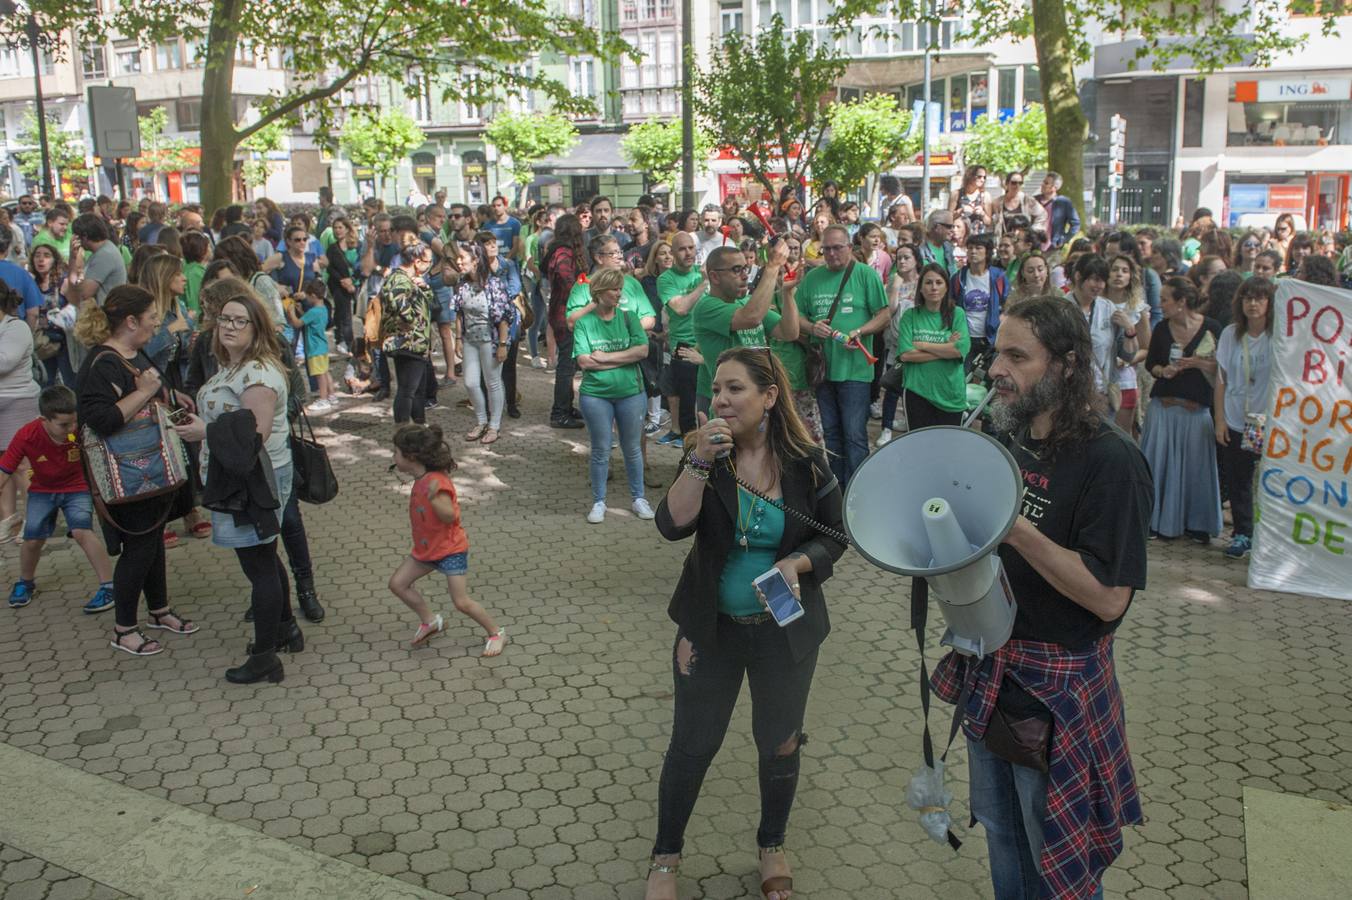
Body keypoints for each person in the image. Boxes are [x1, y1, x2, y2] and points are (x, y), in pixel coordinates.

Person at [934, 294, 1151, 900]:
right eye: (995, 352)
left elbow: (1110, 600)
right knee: (1003, 833)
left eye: (1016, 356)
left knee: (1056, 854)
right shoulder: (1008, 438)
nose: (995, 369)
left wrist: (1017, 530)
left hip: (1056, 689)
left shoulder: (1113, 462)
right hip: (992, 667)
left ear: (1066, 363)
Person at [647, 346, 845, 900]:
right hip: (711, 631)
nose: (722, 400)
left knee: (779, 743)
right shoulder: (706, 456)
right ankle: (665, 858)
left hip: (784, 632)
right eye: (717, 389)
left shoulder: (807, 461)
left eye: (736, 389)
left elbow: (836, 536)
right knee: (691, 744)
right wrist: (698, 462)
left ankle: (771, 844)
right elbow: (671, 526)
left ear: (769, 397)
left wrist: (796, 562)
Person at [171, 288, 302, 683]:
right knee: (265, 557)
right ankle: (285, 631)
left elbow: (253, 436)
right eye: (224, 319)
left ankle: (265, 657)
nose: (229, 326)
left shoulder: (258, 373)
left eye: (239, 321)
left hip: (254, 480)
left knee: (258, 565)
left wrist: (204, 432)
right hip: (240, 477)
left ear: (256, 327)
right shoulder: (233, 365)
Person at [74, 285, 200, 657]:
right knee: (139, 548)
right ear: (130, 321)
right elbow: (101, 420)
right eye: (150, 318)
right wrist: (146, 392)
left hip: (154, 471)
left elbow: (152, 388)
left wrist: (172, 399)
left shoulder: (134, 351)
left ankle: (159, 611)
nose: (156, 324)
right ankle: (124, 628)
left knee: (152, 541)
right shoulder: (101, 364)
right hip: (127, 474)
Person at [388, 423, 506, 654]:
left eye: (396, 453)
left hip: (450, 550)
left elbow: (449, 515)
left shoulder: (435, 483)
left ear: (411, 457)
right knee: (398, 584)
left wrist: (433, 499)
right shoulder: (421, 476)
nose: (393, 457)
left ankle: (496, 633)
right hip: (426, 550)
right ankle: (430, 621)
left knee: (461, 602)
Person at [2, 385, 115, 612]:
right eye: (64, 425)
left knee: (83, 531)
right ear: (44, 419)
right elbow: (5, 470)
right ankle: (25, 583)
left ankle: (109, 587)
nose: (71, 428)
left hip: (77, 487)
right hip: (42, 491)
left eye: (74, 421)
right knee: (32, 539)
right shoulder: (27, 434)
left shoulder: (82, 429)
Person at [797, 224, 890, 484]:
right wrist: (812, 326)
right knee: (832, 433)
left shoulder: (865, 275)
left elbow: (884, 314)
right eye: (826, 249)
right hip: (823, 370)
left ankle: (859, 489)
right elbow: (797, 317)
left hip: (856, 370)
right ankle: (838, 489)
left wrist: (861, 331)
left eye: (837, 248)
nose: (831, 254)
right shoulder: (813, 278)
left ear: (850, 248)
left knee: (854, 435)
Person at [1142, 277, 1222, 542]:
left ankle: (1196, 524)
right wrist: (1162, 370)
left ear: (1182, 302)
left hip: (1196, 410)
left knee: (1196, 471)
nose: (1160, 304)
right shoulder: (1162, 328)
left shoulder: (1211, 328)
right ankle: (1154, 521)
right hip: (1163, 409)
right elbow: (1150, 363)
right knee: (1158, 467)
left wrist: (1200, 364)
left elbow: (1222, 369)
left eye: (1165, 299)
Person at [572, 267, 653, 524]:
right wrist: (623, 359)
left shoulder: (629, 318)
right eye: (613, 289)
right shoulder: (585, 322)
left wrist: (605, 358)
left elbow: (642, 351)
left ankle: (638, 498)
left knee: (632, 448)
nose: (619, 293)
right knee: (600, 449)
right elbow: (584, 361)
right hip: (595, 395)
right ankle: (599, 502)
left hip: (631, 393)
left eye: (620, 288)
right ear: (599, 291)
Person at [691, 241, 798, 415]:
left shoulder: (746, 302)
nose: (744, 276)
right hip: (730, 409)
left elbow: (789, 332)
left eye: (745, 269)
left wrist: (788, 294)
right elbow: (752, 317)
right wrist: (772, 267)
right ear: (715, 277)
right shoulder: (706, 307)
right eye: (736, 270)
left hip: (758, 403)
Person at [1214, 276, 1274, 561]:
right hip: (1237, 419)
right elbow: (1221, 380)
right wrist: (1220, 420)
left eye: (1260, 298)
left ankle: (1269, 536)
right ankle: (1242, 533)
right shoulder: (1230, 334)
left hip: (1267, 422)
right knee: (1239, 479)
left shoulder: (1279, 337)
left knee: (1265, 479)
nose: (1253, 303)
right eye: (1248, 298)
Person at [449, 240, 512, 443]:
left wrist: (502, 344)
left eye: (462, 258)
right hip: (470, 340)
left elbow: (503, 317)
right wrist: (458, 338)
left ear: (475, 260)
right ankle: (481, 420)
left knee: (493, 382)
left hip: (490, 340)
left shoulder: (494, 284)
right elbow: (459, 313)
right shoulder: (462, 284)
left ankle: (494, 425)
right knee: (470, 382)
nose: (458, 262)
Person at [896, 263, 970, 428]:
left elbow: (959, 350)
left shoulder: (957, 314)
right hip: (917, 393)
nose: (933, 287)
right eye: (928, 283)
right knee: (919, 449)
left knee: (948, 450)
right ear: (920, 288)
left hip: (950, 394)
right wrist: (945, 347)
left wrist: (922, 344)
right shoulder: (911, 316)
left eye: (939, 282)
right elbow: (906, 355)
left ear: (946, 288)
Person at [1069, 255, 1140, 409]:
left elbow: (1127, 355)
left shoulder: (1108, 308)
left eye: (1102, 280)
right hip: (1070, 394)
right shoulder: (1061, 308)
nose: (1099, 285)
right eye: (1094, 279)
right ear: (1078, 276)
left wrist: (1129, 329)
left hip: (1101, 393)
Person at [657, 232, 706, 444]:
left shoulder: (702, 272)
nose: (688, 253)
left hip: (707, 346)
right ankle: (689, 460)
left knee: (709, 404)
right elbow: (681, 308)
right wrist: (704, 284)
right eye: (682, 249)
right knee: (688, 407)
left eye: (691, 248)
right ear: (673, 253)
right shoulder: (666, 279)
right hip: (684, 348)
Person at [380, 240, 436, 426]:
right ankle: (402, 429)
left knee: (418, 389)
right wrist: (413, 322)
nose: (430, 266)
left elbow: (430, 305)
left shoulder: (410, 280)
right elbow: (400, 306)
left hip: (416, 342)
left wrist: (425, 288)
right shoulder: (399, 280)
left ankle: (419, 425)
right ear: (417, 261)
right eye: (428, 261)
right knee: (407, 389)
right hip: (407, 342)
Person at [0, 282, 39, 543]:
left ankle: (34, 521)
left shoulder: (17, 327)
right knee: (3, 464)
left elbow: (4, 362)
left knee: (21, 465)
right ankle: (8, 520)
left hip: (17, 402)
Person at [544, 214, 587, 428]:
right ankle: (559, 413)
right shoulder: (563, 252)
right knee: (566, 366)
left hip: (561, 312)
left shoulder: (557, 250)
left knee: (567, 364)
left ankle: (566, 407)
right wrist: (583, 292)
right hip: (565, 314)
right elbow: (566, 278)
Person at [1105, 254, 1152, 436]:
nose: (1119, 274)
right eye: (1114, 269)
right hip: (1097, 381)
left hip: (1125, 381)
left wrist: (1128, 360)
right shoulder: (1096, 305)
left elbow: (1146, 348)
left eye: (1124, 271)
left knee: (1121, 435)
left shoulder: (1138, 308)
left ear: (1131, 276)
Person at [878, 243, 920, 446]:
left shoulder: (923, 283)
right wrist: (894, 287)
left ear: (916, 260)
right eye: (899, 258)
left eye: (906, 257)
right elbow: (890, 311)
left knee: (913, 389)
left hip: (918, 347)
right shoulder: (893, 282)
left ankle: (909, 422)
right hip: (895, 345)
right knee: (892, 386)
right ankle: (886, 428)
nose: (902, 261)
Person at [950, 233, 1008, 372]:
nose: (973, 251)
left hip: (990, 339)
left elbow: (1008, 305)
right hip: (965, 337)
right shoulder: (958, 278)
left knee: (987, 379)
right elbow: (950, 305)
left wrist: (1001, 320)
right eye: (970, 248)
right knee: (962, 376)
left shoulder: (998, 276)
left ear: (987, 252)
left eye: (978, 248)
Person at [286, 279, 334, 412]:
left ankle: (323, 399)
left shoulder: (313, 312)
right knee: (325, 371)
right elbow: (310, 321)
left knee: (319, 374)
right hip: (322, 346)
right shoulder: (323, 309)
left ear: (312, 295)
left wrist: (291, 312)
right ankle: (332, 395)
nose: (306, 298)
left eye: (307, 295)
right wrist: (301, 311)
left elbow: (297, 324)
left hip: (314, 348)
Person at [325, 216, 361, 354]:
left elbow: (360, 264)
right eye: (335, 228)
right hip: (338, 285)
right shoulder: (332, 249)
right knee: (344, 314)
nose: (337, 230)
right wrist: (344, 282)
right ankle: (347, 341)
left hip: (356, 283)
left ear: (347, 229)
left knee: (354, 312)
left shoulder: (357, 245)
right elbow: (330, 268)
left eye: (340, 227)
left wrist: (353, 280)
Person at [991, 172, 1048, 240]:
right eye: (1014, 183)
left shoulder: (1028, 200)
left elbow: (1043, 214)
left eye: (1020, 183)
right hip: (1005, 242)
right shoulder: (997, 202)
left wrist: (1032, 230)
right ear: (1006, 184)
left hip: (1023, 242)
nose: (1017, 185)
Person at [1034, 171, 1080, 249]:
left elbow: (1075, 224)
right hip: (1034, 246)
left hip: (1053, 248)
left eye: (1046, 183)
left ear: (1054, 187)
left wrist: (1064, 239)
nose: (1042, 184)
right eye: (1043, 182)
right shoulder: (1034, 200)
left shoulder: (1063, 202)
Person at [918, 210, 958, 275]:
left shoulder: (948, 247)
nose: (952, 230)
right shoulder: (919, 250)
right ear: (937, 227)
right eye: (949, 227)